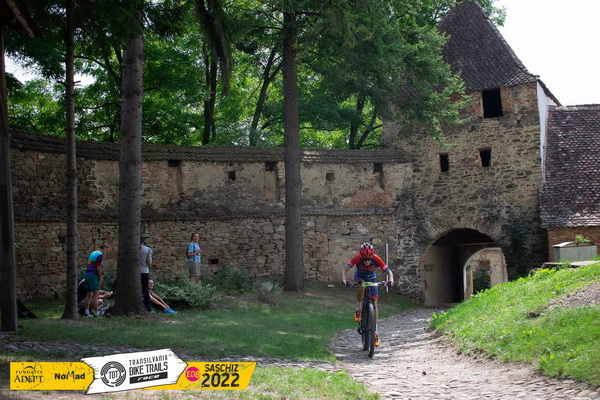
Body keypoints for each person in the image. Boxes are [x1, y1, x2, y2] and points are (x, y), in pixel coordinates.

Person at [342, 242, 394, 347]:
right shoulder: (357, 258)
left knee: (375, 303)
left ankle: (375, 333)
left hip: (372, 278)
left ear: (372, 257)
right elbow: (344, 270)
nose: (367, 261)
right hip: (360, 277)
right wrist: (344, 280)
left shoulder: (376, 258)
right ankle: (358, 308)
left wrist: (391, 280)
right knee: (362, 286)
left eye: (369, 259)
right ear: (361, 257)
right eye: (364, 259)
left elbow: (389, 271)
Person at [83, 243, 109, 317]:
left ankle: (87, 312)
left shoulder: (93, 253)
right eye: (107, 250)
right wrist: (100, 279)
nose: (107, 252)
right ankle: (96, 313)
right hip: (93, 276)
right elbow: (98, 268)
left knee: (89, 295)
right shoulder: (100, 255)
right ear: (104, 248)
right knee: (96, 296)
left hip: (87, 275)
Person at [139, 236, 153, 312]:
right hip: (144, 271)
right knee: (145, 290)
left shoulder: (132, 249)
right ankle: (148, 307)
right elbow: (149, 263)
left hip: (136, 271)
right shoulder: (147, 249)